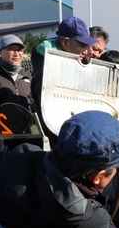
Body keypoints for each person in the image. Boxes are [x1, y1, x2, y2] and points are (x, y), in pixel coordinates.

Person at [30, 16, 98, 146]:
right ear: (66, 42)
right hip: (58, 141)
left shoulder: (70, 65)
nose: (86, 50)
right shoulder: (47, 70)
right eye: (82, 45)